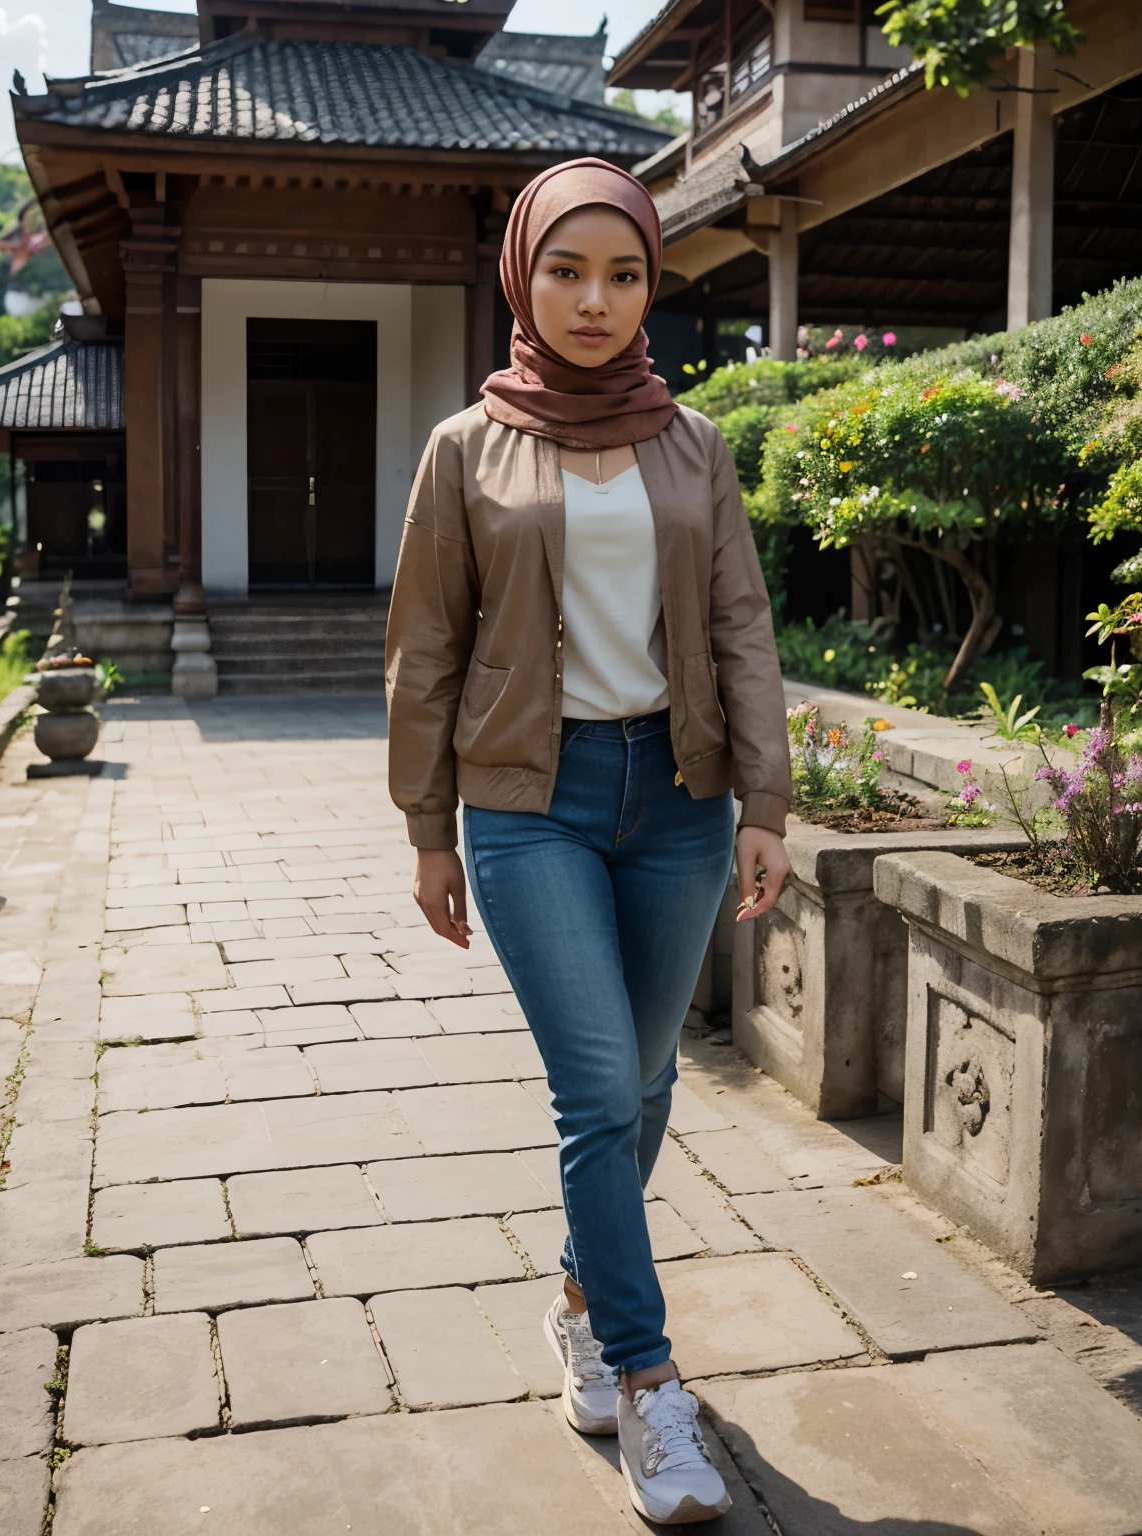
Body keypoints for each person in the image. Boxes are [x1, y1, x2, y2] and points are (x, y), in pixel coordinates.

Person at [385, 157, 791, 1525]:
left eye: (623, 273)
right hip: (527, 804)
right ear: (522, 274)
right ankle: (647, 1381)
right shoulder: (465, 449)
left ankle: (575, 1293)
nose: (595, 298)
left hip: (677, 798)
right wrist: (427, 827)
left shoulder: (697, 446)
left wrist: (768, 807)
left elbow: (741, 626)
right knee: (600, 1093)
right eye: (567, 269)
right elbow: (425, 650)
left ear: (652, 287)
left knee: (656, 1076)